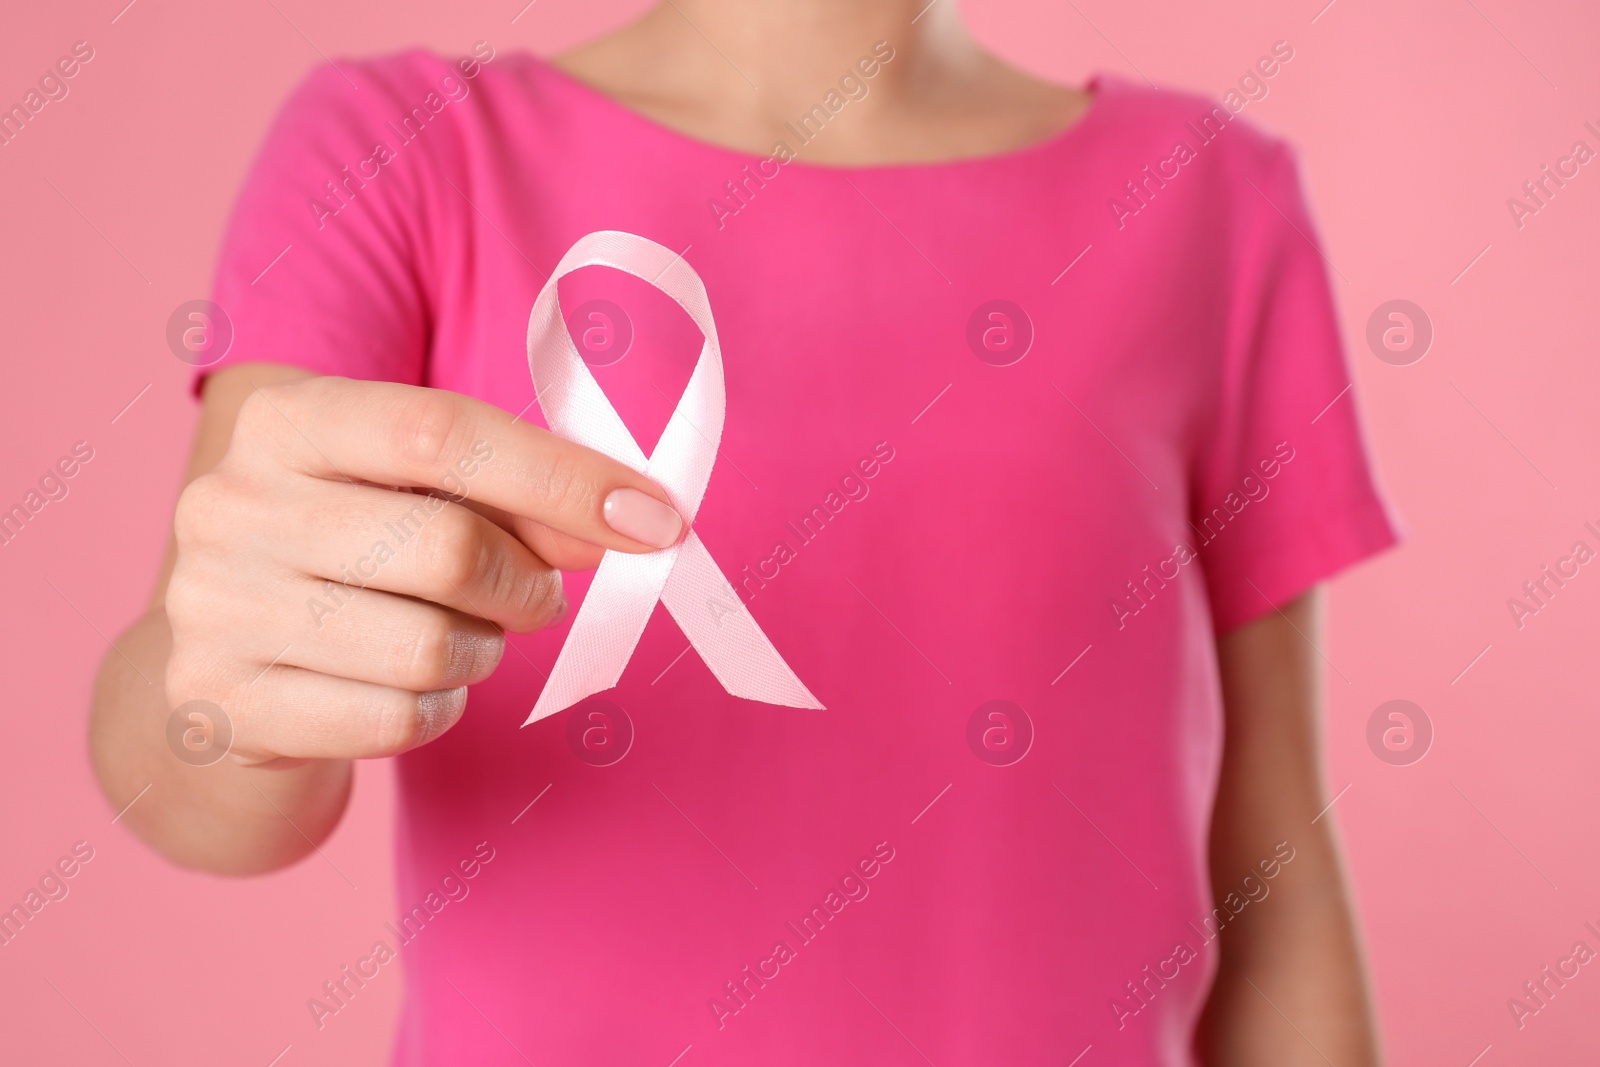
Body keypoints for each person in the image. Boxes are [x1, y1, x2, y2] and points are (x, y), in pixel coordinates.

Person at [89, 1, 1396, 1063]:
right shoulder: (402, 147)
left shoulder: (1211, 200)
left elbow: (1273, 876)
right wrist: (229, 704)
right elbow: (194, 763)